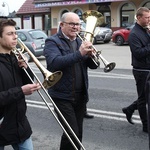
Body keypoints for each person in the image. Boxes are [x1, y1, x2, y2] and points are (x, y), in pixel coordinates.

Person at [44, 12, 99, 149]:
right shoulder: (52, 41)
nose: (76, 27)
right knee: (71, 132)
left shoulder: (80, 40)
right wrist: (80, 53)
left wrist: (92, 56)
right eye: (72, 24)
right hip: (62, 96)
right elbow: (54, 63)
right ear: (62, 25)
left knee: (78, 133)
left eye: (78, 24)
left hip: (80, 95)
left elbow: (93, 66)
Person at [0, 19, 41, 150]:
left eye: (15, 33)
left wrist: (26, 68)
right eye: (10, 33)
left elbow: (28, 83)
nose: (15, 36)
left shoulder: (15, 58)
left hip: (19, 123)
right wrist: (21, 91)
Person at [122, 7, 150, 133]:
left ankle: (129, 109)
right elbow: (138, 53)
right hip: (141, 71)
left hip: (148, 68)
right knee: (143, 99)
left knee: (145, 96)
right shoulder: (134, 34)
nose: (149, 19)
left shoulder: (146, 30)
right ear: (138, 18)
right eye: (147, 17)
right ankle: (146, 125)